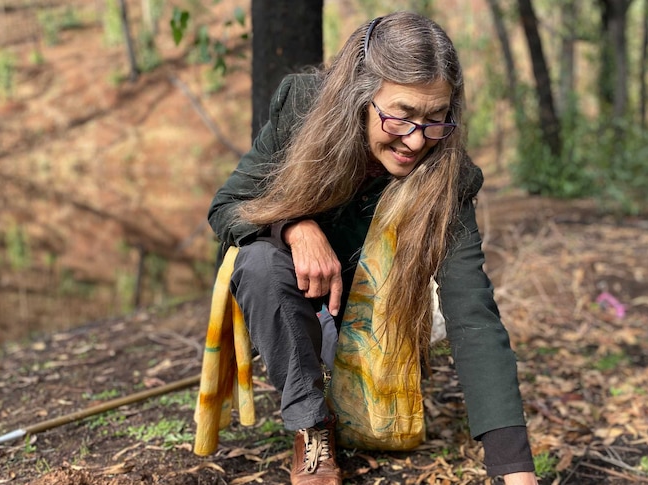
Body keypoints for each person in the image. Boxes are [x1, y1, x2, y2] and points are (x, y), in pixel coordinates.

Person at [207, 12, 538, 485]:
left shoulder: (450, 176)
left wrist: (516, 471)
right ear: (359, 96)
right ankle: (311, 431)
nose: (417, 140)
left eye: (436, 118)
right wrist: (295, 226)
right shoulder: (301, 107)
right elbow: (228, 205)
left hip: (380, 328)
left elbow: (474, 316)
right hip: (294, 309)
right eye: (400, 115)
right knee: (259, 260)